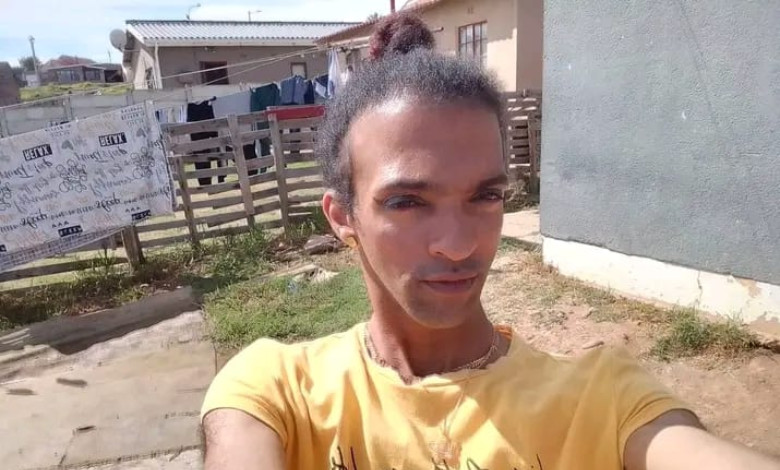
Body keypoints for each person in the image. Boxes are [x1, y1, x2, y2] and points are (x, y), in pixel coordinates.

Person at [200, 13, 780, 470]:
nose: (458, 246)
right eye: (407, 202)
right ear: (343, 217)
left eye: (485, 195)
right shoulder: (280, 390)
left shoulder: (600, 400)